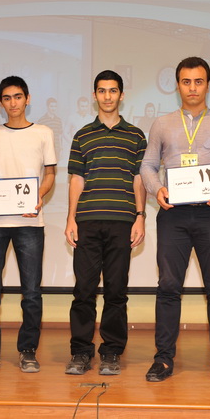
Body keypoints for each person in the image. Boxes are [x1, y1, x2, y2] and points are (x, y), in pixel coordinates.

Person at [140, 56, 210, 384]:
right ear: (178, 85)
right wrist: (157, 188)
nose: (192, 88)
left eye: (198, 81)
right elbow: (148, 165)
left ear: (207, 85)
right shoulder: (162, 124)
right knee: (168, 287)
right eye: (186, 82)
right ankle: (163, 359)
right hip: (172, 214)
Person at [64, 70, 147, 376]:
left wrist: (140, 217)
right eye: (102, 91)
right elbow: (77, 179)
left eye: (113, 91)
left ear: (121, 95)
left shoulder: (136, 135)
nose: (107, 96)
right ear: (95, 95)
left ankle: (111, 352)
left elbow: (139, 179)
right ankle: (81, 352)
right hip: (87, 221)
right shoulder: (82, 135)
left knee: (116, 291)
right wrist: (71, 218)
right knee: (83, 291)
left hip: (122, 222)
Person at [0, 76, 57, 374]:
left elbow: (50, 174)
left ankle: (28, 350)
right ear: (1, 102)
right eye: (7, 98)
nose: (13, 103)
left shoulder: (43, 132)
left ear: (27, 98)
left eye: (18, 97)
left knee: (31, 291)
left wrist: (38, 196)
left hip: (30, 222)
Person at [38, 97, 64, 163]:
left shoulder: (58, 120)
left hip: (57, 148)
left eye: (55, 106)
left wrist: (61, 148)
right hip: (46, 147)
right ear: (47, 107)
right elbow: (39, 136)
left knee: (56, 166)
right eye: (51, 106)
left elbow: (60, 135)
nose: (53, 108)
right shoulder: (42, 120)